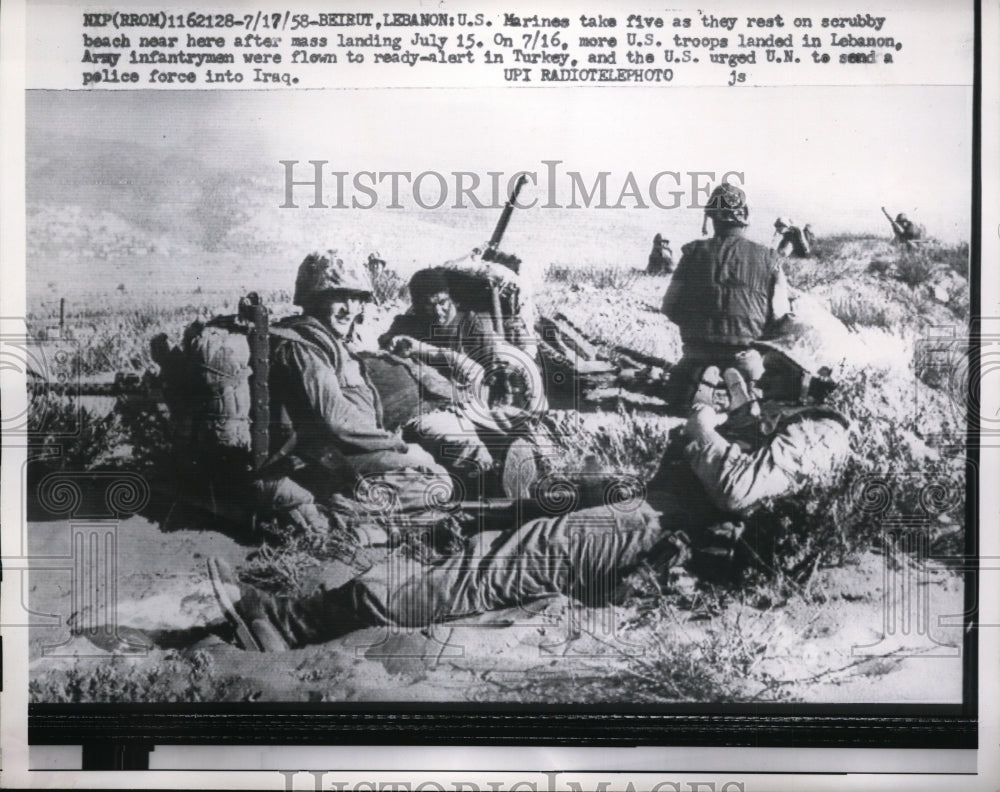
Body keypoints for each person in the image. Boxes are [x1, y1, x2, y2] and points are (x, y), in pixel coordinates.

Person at [207, 367, 850, 651]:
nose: (748, 372)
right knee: (520, 521)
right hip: (653, 515)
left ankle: (294, 624)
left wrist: (703, 422)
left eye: (758, 364)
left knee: (507, 561)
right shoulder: (783, 420)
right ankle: (323, 603)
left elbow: (737, 489)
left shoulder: (821, 429)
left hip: (660, 531)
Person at [252, 250, 454, 532]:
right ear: (314, 299)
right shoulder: (303, 348)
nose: (350, 307)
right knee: (436, 488)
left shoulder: (329, 342)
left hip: (342, 455)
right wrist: (403, 448)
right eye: (339, 297)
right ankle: (337, 514)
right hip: (320, 461)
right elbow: (338, 422)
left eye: (357, 298)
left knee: (437, 482)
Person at [661, 183, 792, 412]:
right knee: (765, 396)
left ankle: (700, 382)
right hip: (745, 353)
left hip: (696, 352)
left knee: (678, 394)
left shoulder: (692, 253)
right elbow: (780, 315)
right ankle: (743, 390)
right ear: (745, 218)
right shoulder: (770, 258)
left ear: (711, 218)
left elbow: (669, 307)